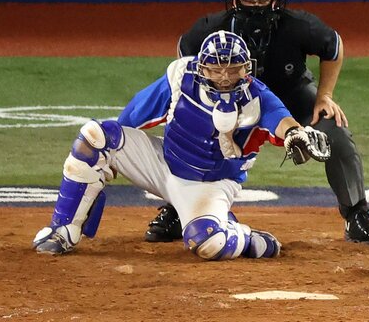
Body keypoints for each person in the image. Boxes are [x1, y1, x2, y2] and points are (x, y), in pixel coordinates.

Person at [144, 0, 369, 246]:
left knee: (334, 131)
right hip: (229, 99)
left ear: (275, 0)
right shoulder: (214, 27)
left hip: (291, 94)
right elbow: (184, 57)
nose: (257, 5)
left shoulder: (297, 24)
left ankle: (357, 213)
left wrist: (325, 95)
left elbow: (333, 46)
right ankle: (177, 209)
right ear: (235, 1)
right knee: (191, 133)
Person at [32, 30, 329, 259]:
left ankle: (248, 239)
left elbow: (283, 122)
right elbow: (133, 116)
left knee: (208, 244)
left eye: (233, 68)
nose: (225, 77)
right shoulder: (180, 78)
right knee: (95, 136)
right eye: (216, 68)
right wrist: (106, 160)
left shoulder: (257, 97)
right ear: (202, 67)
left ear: (246, 69)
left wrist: (295, 134)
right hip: (163, 163)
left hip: (211, 184)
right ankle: (62, 231)